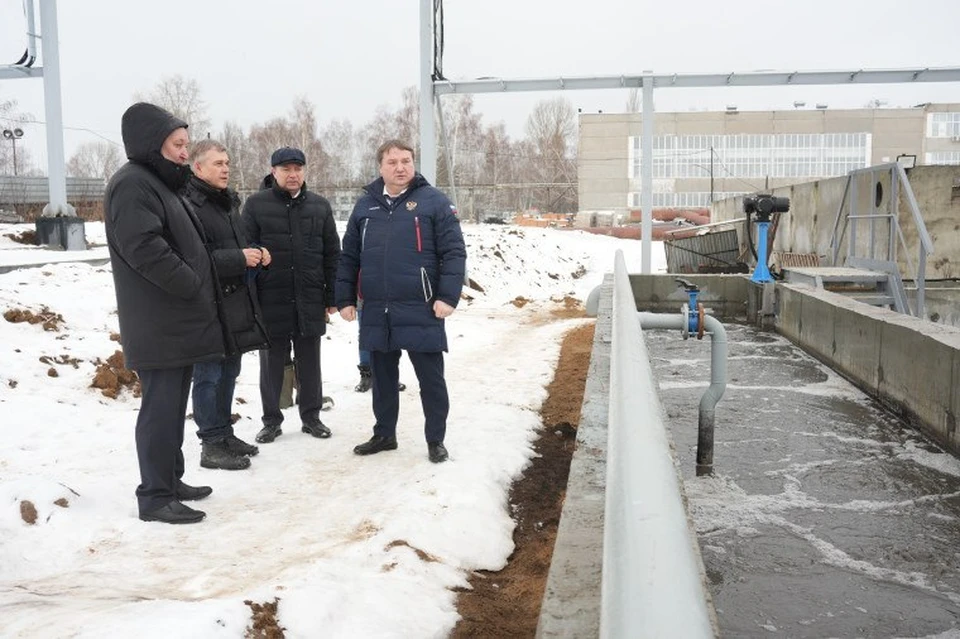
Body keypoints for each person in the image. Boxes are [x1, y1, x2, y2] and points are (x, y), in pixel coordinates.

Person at [104, 102, 222, 524]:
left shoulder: (158, 182)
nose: (184, 152)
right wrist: (191, 281)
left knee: (172, 409)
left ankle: (170, 480)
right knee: (160, 410)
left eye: (186, 143)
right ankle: (154, 496)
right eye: (178, 144)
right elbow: (144, 248)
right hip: (159, 324)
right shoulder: (133, 184)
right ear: (154, 145)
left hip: (174, 322)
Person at [336, 139, 466, 463]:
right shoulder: (365, 205)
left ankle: (436, 440)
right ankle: (384, 434)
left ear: (413, 163)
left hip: (422, 307)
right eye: (392, 162)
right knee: (382, 379)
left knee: (431, 380)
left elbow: (454, 252)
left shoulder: (434, 202)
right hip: (377, 308)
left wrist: (448, 296)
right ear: (380, 167)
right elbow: (349, 255)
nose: (400, 167)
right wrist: (344, 298)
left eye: (406, 161)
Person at [242, 147, 341, 444]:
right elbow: (246, 251)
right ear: (274, 172)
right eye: (286, 169)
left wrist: (333, 296)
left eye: (298, 168)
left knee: (310, 362)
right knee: (272, 363)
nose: (293, 174)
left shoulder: (320, 207)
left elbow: (332, 254)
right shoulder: (256, 206)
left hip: (309, 297)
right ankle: (271, 420)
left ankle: (311, 417)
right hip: (271, 298)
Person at [184, 140, 270, 470]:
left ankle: (225, 434)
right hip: (205, 305)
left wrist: (257, 253)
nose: (225, 168)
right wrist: (239, 257)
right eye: (218, 163)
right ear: (198, 167)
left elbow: (239, 245)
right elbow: (192, 258)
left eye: (227, 163)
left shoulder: (227, 203)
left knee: (230, 370)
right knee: (208, 375)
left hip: (233, 302)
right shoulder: (189, 205)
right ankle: (210, 443)